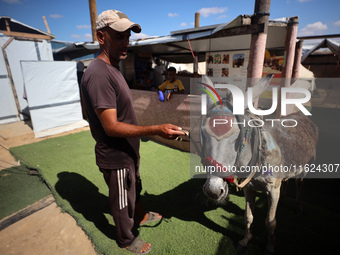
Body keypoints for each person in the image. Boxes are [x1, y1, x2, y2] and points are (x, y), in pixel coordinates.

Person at [80, 9, 185, 254]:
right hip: (115, 154)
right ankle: (125, 238)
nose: (126, 42)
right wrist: (155, 129)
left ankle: (140, 216)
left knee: (134, 187)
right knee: (121, 199)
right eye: (118, 37)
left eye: (127, 36)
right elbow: (111, 126)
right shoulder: (98, 73)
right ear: (101, 37)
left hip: (128, 150)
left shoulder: (113, 68)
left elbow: (96, 113)